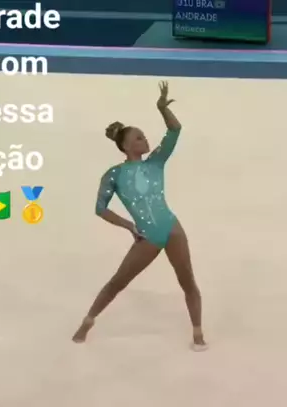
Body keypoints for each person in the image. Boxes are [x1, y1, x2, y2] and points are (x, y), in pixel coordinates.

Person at [72, 81, 207, 351]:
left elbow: (175, 130)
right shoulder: (114, 175)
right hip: (147, 235)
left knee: (188, 281)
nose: (144, 140)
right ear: (125, 146)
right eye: (138, 138)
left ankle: (198, 332)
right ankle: (87, 321)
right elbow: (100, 208)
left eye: (144, 136)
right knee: (118, 282)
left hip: (172, 228)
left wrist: (162, 109)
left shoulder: (155, 162)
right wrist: (129, 225)